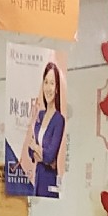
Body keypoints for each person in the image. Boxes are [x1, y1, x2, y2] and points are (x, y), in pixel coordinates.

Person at [22, 61, 67, 198]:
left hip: (49, 181)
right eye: (45, 82)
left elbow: (49, 156)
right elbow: (30, 152)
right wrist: (41, 154)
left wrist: (37, 149)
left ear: (57, 88)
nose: (48, 88)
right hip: (38, 176)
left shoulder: (59, 120)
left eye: (52, 83)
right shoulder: (40, 115)